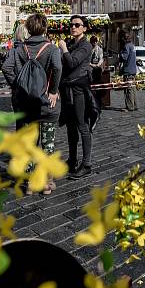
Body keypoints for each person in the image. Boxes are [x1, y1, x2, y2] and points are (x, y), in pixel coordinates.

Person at [2, 14, 62, 195]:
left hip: (26, 106)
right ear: (45, 28)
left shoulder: (19, 49)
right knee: (48, 145)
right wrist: (52, 91)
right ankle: (46, 183)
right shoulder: (51, 49)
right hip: (46, 105)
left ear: (28, 28)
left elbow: (6, 68)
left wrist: (19, 85)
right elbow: (58, 68)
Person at [58, 15, 94, 179]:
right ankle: (72, 160)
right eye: (71, 25)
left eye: (77, 25)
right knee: (70, 127)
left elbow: (72, 63)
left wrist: (64, 49)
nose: (73, 27)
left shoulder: (85, 46)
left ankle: (86, 164)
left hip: (79, 90)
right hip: (67, 90)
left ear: (84, 28)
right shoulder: (72, 44)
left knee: (82, 125)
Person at [118, 32, 138, 112]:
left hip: (128, 70)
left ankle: (129, 106)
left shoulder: (126, 46)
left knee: (128, 89)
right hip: (133, 69)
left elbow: (124, 57)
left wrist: (120, 54)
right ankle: (135, 105)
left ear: (124, 39)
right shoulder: (132, 45)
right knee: (132, 88)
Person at [89, 35, 105, 103]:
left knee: (98, 83)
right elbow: (87, 59)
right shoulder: (89, 49)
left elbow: (101, 58)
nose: (94, 44)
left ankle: (98, 99)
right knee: (91, 83)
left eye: (95, 42)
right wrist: (91, 64)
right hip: (90, 68)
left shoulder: (99, 49)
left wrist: (98, 65)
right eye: (93, 42)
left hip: (97, 69)